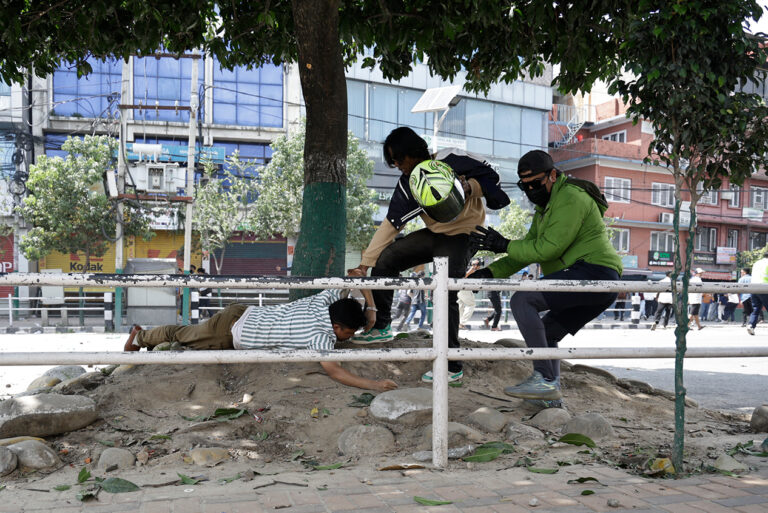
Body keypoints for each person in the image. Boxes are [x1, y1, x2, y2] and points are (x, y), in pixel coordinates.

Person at [348, 127, 510, 384]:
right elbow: (391, 225)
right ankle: (381, 327)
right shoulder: (407, 183)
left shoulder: (450, 159)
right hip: (435, 234)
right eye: (393, 162)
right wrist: (365, 263)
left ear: (413, 152)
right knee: (386, 259)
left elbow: (491, 177)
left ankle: (451, 365)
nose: (397, 165)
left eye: (398, 159)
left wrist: (469, 187)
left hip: (465, 234)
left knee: (444, 290)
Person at [468, 149, 622, 407]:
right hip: (590, 278)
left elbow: (548, 249)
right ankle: (551, 398)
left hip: (595, 272)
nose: (531, 190)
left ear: (552, 175)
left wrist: (504, 244)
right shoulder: (545, 209)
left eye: (535, 183)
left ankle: (544, 379)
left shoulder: (570, 197)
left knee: (523, 300)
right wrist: (490, 272)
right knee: (547, 333)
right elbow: (527, 251)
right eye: (524, 185)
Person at [123, 271, 398, 392]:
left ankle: (144, 337)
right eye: (350, 333)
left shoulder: (325, 300)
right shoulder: (321, 336)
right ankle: (139, 337)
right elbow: (336, 372)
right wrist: (374, 385)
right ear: (337, 327)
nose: (351, 337)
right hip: (229, 332)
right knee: (183, 335)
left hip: (243, 313)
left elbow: (355, 275)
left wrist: (370, 309)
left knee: (186, 333)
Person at [747, 254, 768, 335]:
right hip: (764, 288)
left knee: (756, 309)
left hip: (753, 288)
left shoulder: (756, 263)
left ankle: (751, 325)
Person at [458, 259, 481, 328]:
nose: (475, 266)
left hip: (460, 288)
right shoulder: (470, 270)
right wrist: (469, 272)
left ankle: (459, 323)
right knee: (471, 304)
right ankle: (462, 323)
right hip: (464, 288)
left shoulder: (472, 270)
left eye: (476, 264)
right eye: (473, 264)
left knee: (460, 305)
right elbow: (462, 278)